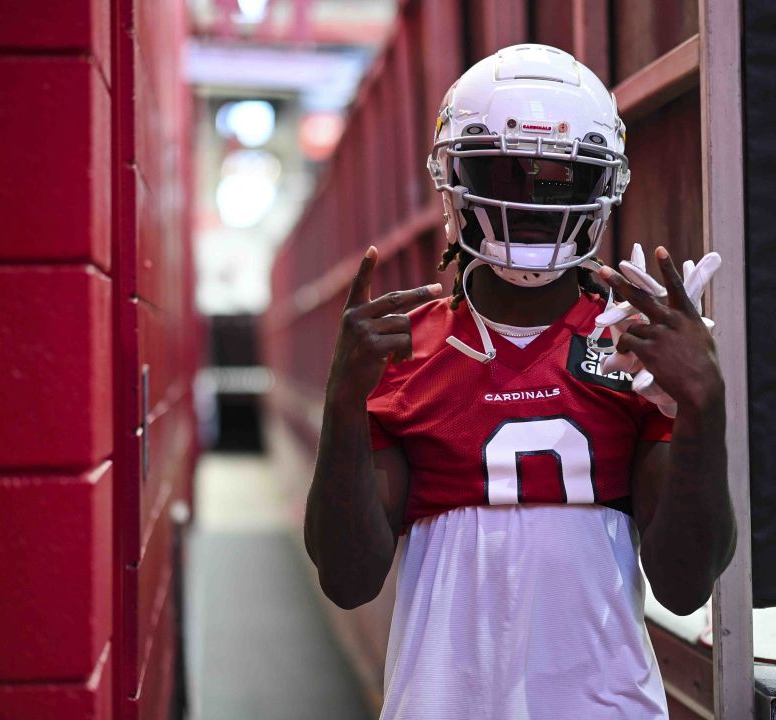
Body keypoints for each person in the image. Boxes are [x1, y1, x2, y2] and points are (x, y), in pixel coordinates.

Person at [304, 44, 735, 719]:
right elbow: (349, 579)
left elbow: (685, 586)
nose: (531, 202)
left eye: (560, 180)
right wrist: (343, 400)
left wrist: (703, 407)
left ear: (600, 190)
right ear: (455, 179)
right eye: (504, 174)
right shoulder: (401, 350)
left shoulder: (631, 350)